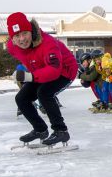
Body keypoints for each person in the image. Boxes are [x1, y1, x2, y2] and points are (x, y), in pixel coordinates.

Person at [7, 12, 78, 146]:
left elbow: (54, 70)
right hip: (39, 71)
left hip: (65, 70)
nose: (22, 39)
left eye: (25, 33)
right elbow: (29, 57)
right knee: (21, 98)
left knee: (44, 93)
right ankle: (40, 130)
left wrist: (30, 76)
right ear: (12, 38)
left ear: (31, 31)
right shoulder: (12, 47)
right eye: (17, 36)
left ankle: (61, 131)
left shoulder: (47, 43)